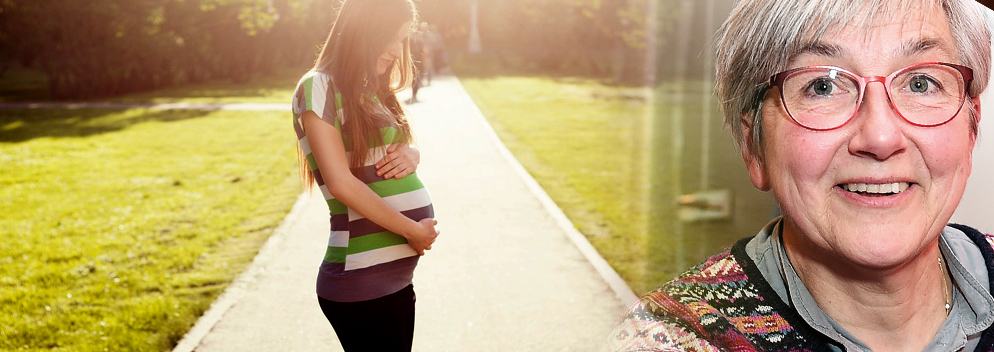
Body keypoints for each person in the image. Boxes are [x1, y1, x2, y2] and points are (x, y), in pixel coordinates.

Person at [607, 0, 992, 350]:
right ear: (753, 146)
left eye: (920, 83)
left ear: (971, 126)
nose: (880, 137)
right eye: (822, 86)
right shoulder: (668, 340)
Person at [290, 0, 439, 350]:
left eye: (401, 40)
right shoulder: (319, 87)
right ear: (361, 29)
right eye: (389, 37)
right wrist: (412, 231)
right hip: (360, 285)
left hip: (396, 282)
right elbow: (341, 183)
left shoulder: (371, 90)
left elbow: (389, 152)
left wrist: (413, 154)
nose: (395, 50)